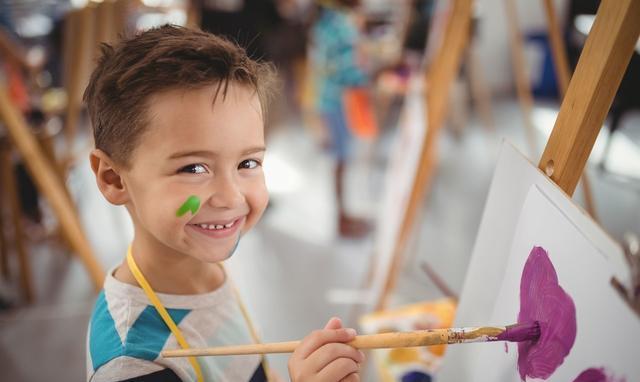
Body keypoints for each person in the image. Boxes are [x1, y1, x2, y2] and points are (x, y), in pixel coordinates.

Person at [84, 25, 364, 381]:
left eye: (248, 163)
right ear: (113, 178)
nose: (232, 197)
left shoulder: (203, 264)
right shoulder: (133, 365)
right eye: (193, 168)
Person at [310, 0, 371, 238]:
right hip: (339, 101)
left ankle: (343, 214)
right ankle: (342, 219)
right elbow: (343, 67)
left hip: (329, 98)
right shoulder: (341, 23)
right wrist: (368, 72)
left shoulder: (327, 21)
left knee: (341, 159)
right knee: (341, 159)